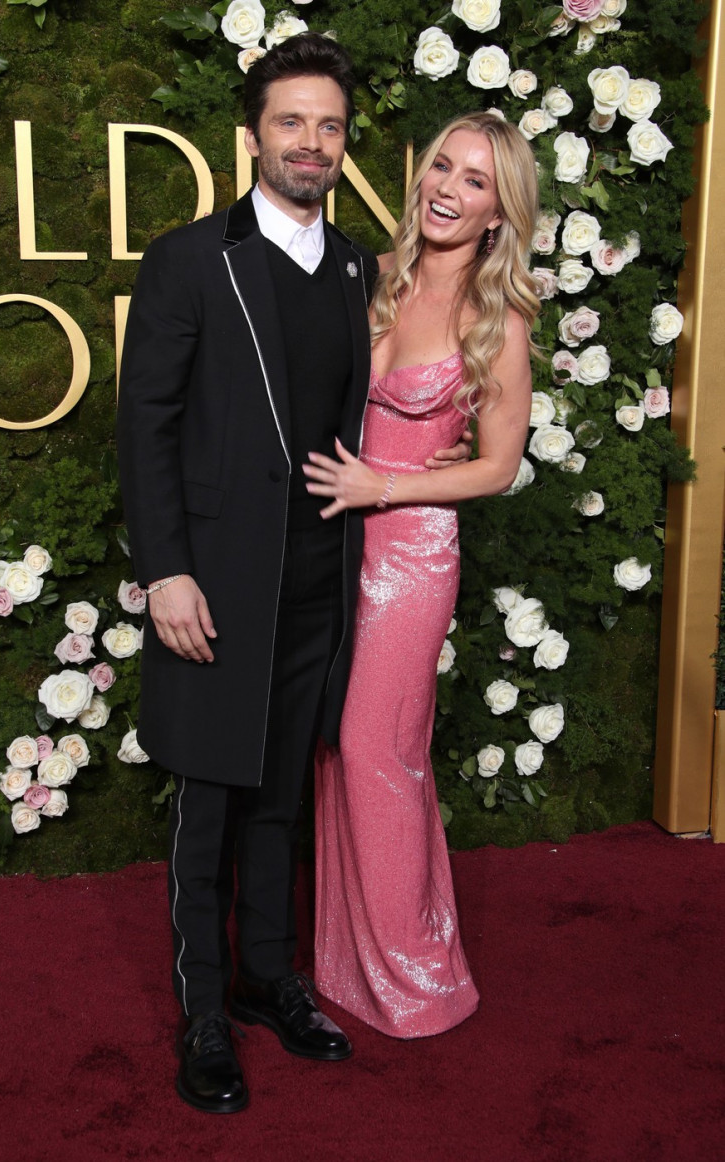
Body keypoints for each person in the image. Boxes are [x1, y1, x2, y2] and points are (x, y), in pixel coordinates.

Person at [117, 34, 469, 1113]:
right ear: (254, 133)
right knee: (213, 802)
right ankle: (207, 1016)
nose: (310, 142)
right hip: (216, 582)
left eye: (328, 125)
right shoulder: (191, 259)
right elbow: (146, 424)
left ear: (342, 141)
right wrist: (166, 572)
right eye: (290, 122)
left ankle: (272, 979)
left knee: (280, 798)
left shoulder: (362, 267)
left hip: (326, 577)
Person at [305, 112, 539, 1038]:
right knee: (334, 750)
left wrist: (387, 481)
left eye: (476, 180)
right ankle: (345, 963)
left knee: (379, 753)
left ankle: (416, 976)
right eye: (443, 165)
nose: (448, 186)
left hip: (410, 559)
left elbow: (499, 464)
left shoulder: (498, 317)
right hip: (335, 546)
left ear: (498, 211)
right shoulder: (373, 277)